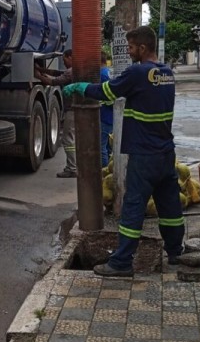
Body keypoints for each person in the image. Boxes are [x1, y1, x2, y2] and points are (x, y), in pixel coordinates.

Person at [63, 26, 184, 277]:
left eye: (131, 47)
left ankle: (121, 263)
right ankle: (175, 252)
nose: (129, 52)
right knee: (170, 205)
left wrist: (81, 87)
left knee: (133, 206)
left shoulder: (138, 72)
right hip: (165, 153)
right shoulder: (167, 74)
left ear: (142, 48)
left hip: (143, 155)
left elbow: (107, 92)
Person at [36, 49, 77, 178]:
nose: (63, 63)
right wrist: (43, 71)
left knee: (68, 140)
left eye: (64, 59)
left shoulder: (71, 72)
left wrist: (38, 76)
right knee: (73, 139)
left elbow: (53, 82)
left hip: (72, 110)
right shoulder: (74, 70)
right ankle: (74, 166)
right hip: (75, 109)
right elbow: (57, 73)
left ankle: (72, 168)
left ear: (70, 57)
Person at [100, 51, 114, 168]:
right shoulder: (108, 72)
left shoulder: (102, 74)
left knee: (101, 147)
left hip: (105, 116)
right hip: (110, 116)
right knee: (107, 147)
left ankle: (103, 171)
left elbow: (109, 98)